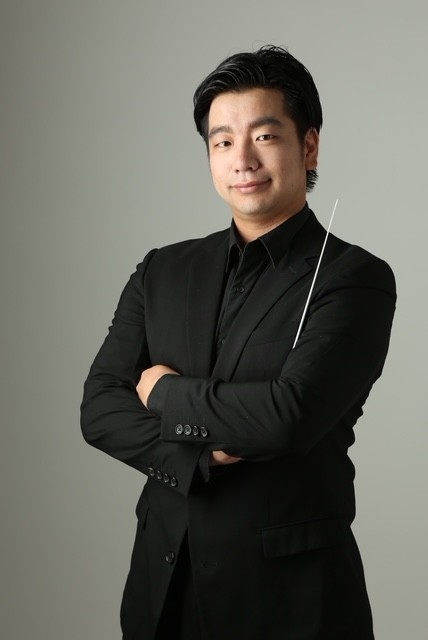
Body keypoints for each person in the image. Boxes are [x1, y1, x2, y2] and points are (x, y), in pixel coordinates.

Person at [81, 45, 396, 640]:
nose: (242, 159)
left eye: (264, 136)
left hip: (291, 601)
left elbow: (288, 417)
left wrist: (164, 392)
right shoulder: (161, 270)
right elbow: (99, 408)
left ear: (308, 146)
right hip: (162, 589)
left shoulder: (354, 278)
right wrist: (201, 456)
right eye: (222, 141)